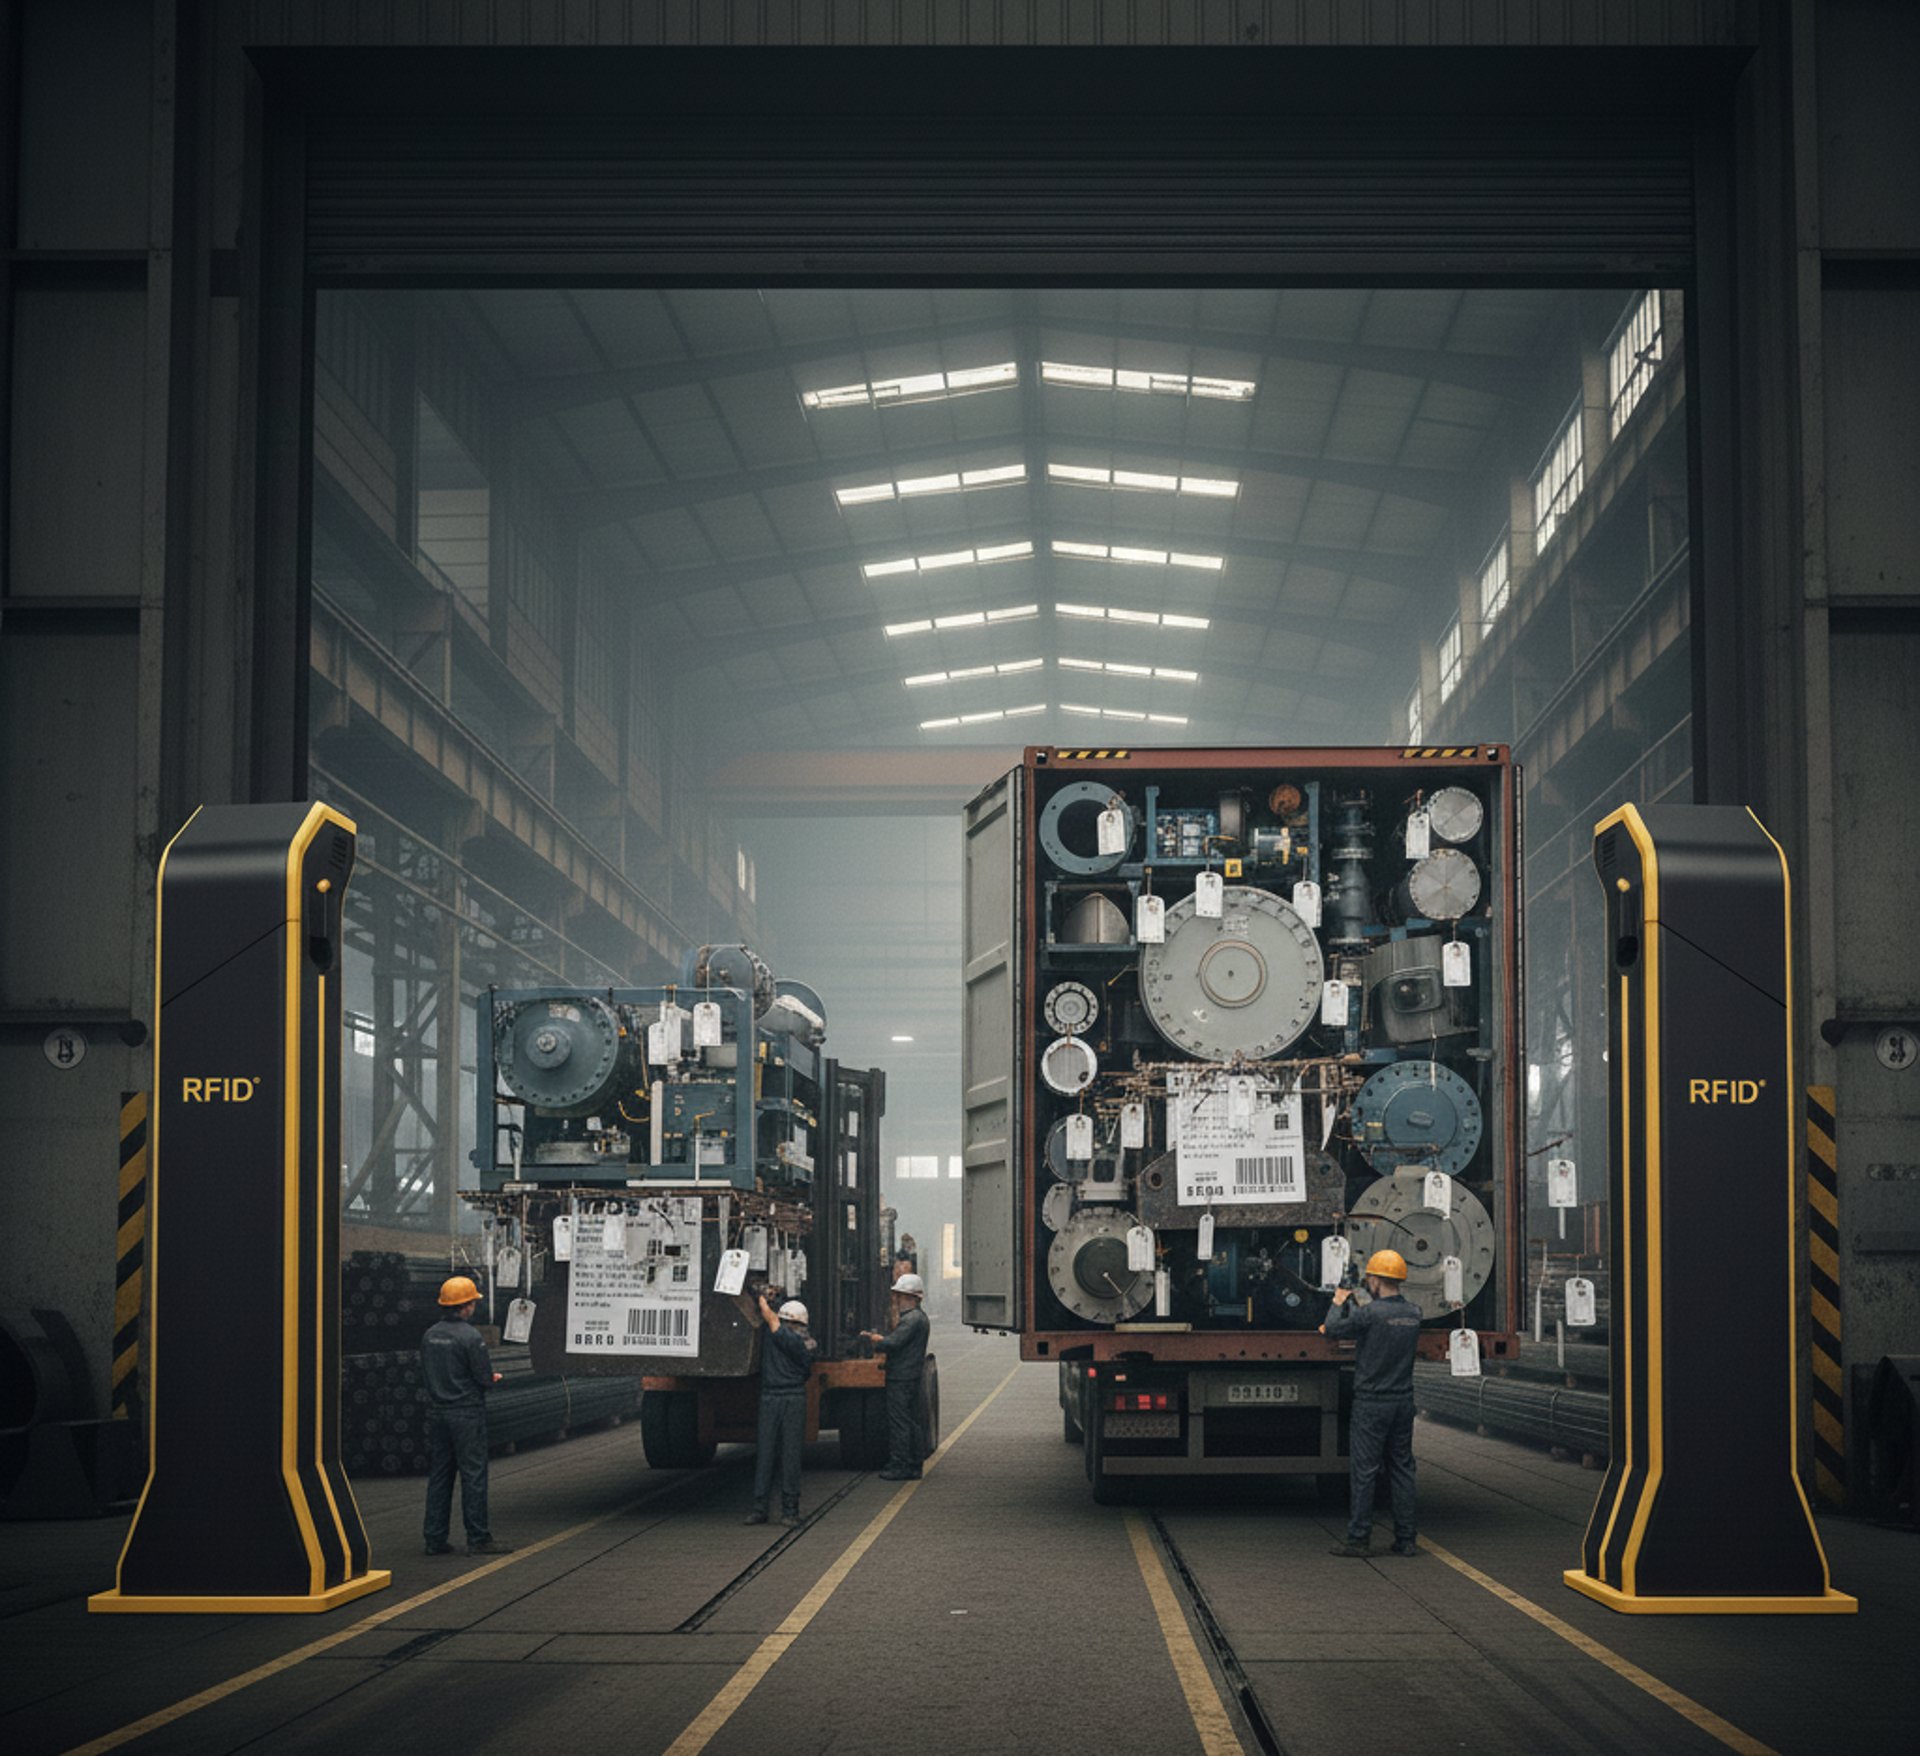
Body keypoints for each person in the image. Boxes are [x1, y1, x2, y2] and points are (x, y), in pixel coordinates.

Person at [1321, 1248, 1422, 1558]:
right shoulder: (1414, 1314)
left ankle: (1359, 1539)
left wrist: (1339, 1299)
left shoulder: (1370, 1314)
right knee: (1402, 1468)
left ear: (1375, 1280)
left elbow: (1333, 1329)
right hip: (1403, 1401)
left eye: (1370, 1280)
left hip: (1371, 1403)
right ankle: (1406, 1540)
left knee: (1365, 1471)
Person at [421, 1275, 513, 1557]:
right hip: (466, 1414)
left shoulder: (430, 1336)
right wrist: (492, 1378)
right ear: (465, 1306)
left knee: (440, 1475)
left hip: (438, 1412)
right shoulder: (471, 1337)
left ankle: (435, 1539)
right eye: (473, 1302)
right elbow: (484, 1378)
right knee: (473, 1475)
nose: (474, 1306)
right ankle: (478, 1538)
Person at [746, 1290, 816, 1529]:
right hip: (792, 1398)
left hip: (774, 1398)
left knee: (768, 1453)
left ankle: (761, 1509)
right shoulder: (805, 1342)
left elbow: (771, 1320)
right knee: (789, 1454)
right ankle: (789, 1511)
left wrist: (761, 1298)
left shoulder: (787, 1337)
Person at [862, 1272, 931, 1481]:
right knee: (910, 1421)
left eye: (899, 1296)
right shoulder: (919, 1318)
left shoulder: (911, 1320)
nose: (897, 1301)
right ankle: (914, 1464)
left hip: (901, 1377)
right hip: (909, 1375)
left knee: (900, 1422)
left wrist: (875, 1339)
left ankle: (900, 1465)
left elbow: (893, 1343)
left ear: (910, 1297)